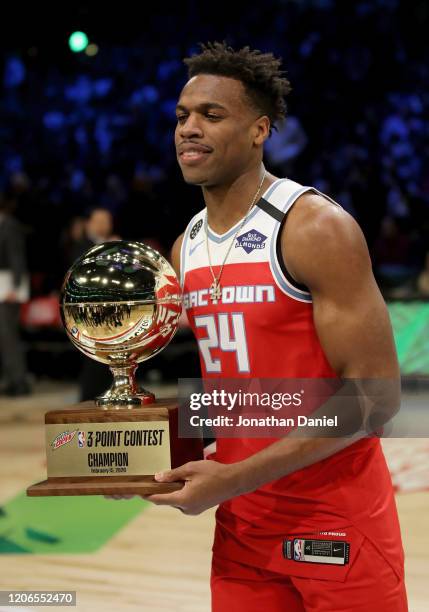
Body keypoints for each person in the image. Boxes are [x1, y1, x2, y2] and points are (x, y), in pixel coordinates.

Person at [125, 42, 408, 610]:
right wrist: (136, 455)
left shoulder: (313, 228)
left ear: (260, 131)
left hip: (333, 521)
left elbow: (376, 397)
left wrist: (236, 477)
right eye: (182, 116)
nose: (189, 129)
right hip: (242, 528)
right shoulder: (187, 245)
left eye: (211, 115)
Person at [0, 193, 31, 396]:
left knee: (8, 336)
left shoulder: (9, 225)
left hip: (8, 287)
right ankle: (11, 380)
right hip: (3, 285)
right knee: (4, 337)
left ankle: (19, 382)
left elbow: (17, 255)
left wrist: (15, 287)